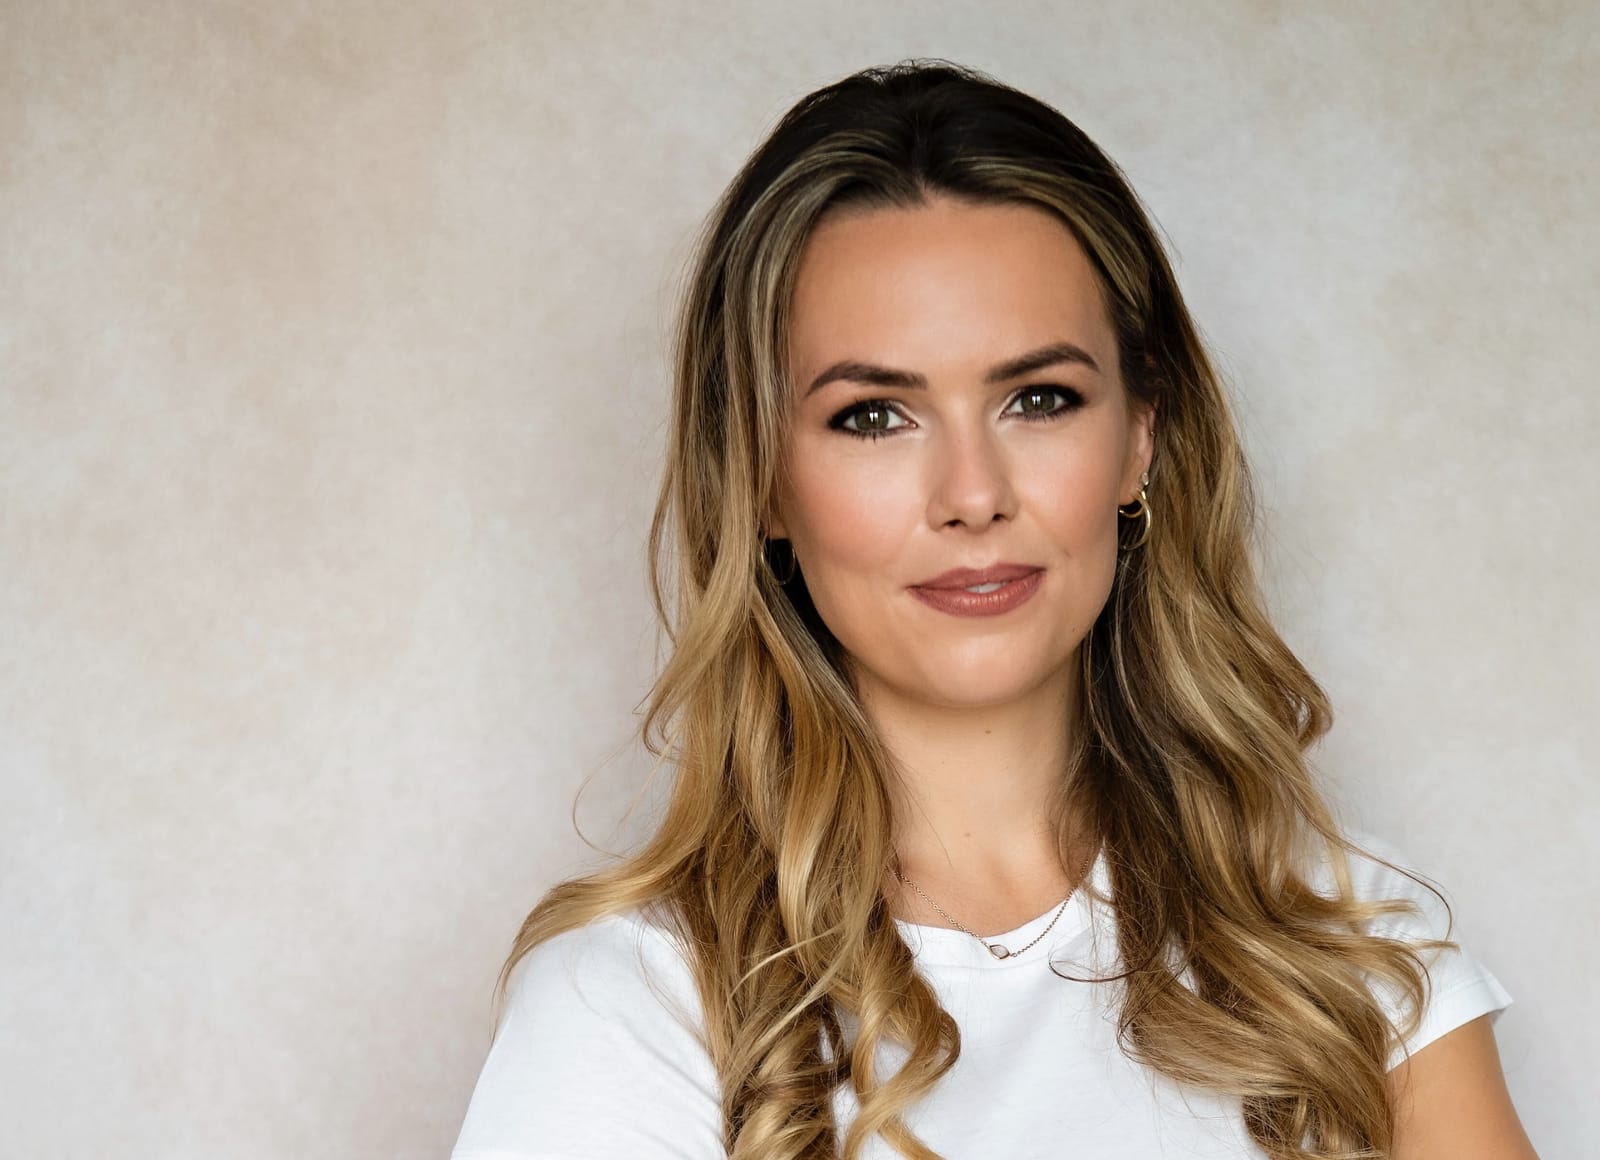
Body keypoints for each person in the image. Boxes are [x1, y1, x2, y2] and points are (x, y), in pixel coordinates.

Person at [450, 60, 1538, 1160]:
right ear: (763, 479)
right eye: (874, 414)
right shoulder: (632, 1007)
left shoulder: (1345, 935)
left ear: (1141, 439)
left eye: (1039, 398)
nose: (973, 494)